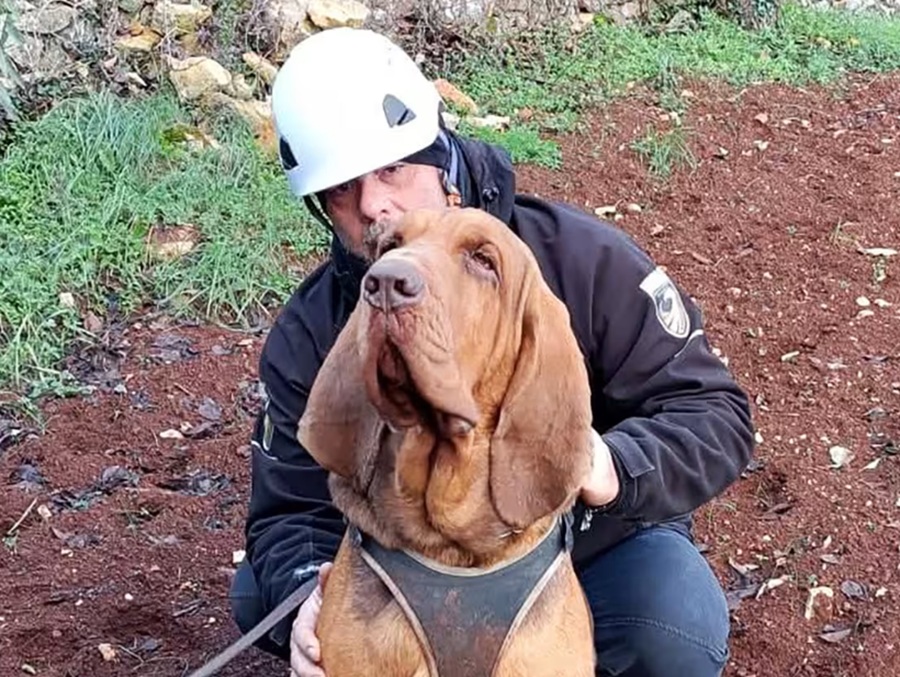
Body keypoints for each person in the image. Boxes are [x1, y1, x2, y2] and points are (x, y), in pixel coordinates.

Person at [229, 26, 756, 677]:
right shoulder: (313, 328)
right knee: (260, 592)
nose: (373, 205)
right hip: (403, 567)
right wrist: (307, 591)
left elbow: (715, 414)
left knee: (670, 624)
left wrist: (610, 462)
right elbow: (289, 509)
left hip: (584, 548)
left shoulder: (580, 261)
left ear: (440, 157)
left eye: (392, 167)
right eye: (341, 189)